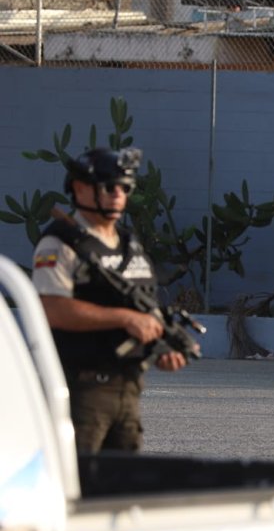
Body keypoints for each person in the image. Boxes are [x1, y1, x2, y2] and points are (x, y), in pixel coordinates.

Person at [31, 147, 186, 454]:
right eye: (109, 187)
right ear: (80, 188)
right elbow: (52, 309)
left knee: (120, 490)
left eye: (125, 188)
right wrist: (125, 319)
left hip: (128, 389)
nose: (118, 194)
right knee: (79, 487)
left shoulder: (130, 244)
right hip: (82, 391)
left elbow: (144, 308)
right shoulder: (60, 243)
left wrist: (162, 347)